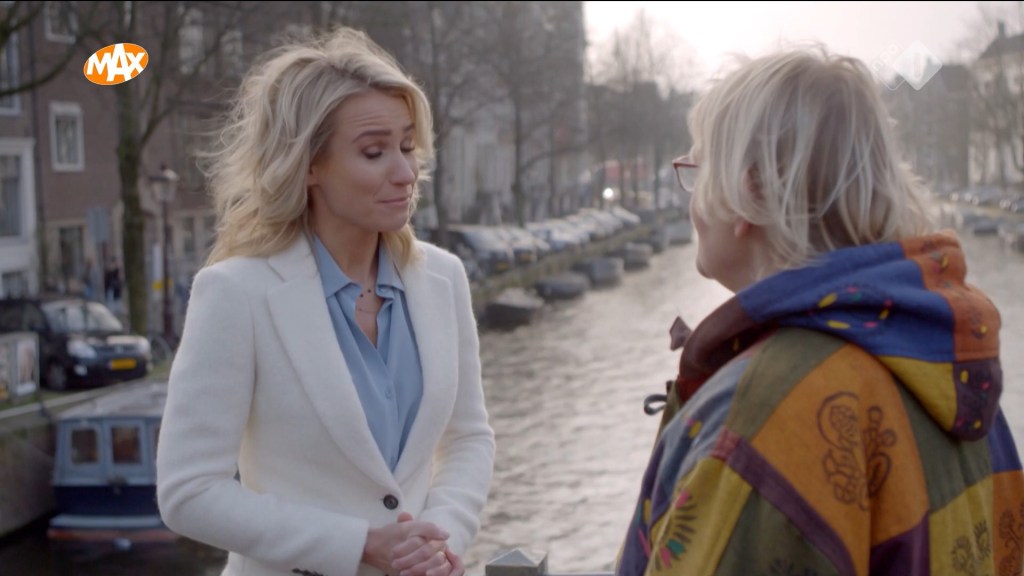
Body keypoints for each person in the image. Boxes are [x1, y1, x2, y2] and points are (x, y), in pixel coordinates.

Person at [617, 46, 1024, 575]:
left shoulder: (760, 420)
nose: (691, 201)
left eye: (697, 170)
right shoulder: (955, 373)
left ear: (750, 191)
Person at [156, 26, 495, 576]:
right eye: (374, 152)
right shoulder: (236, 293)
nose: (406, 173)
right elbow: (188, 491)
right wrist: (358, 544)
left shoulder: (443, 278)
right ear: (309, 164)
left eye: (407, 146)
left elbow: (469, 438)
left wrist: (439, 538)